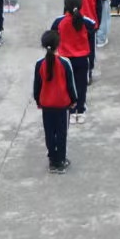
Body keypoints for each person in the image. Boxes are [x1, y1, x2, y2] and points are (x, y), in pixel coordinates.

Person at [32, 29, 78, 172]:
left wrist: (38, 101)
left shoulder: (40, 64)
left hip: (46, 104)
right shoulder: (65, 62)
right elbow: (71, 84)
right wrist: (74, 100)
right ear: (59, 44)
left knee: (49, 133)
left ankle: (52, 160)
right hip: (62, 105)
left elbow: (37, 85)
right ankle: (61, 161)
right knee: (62, 133)